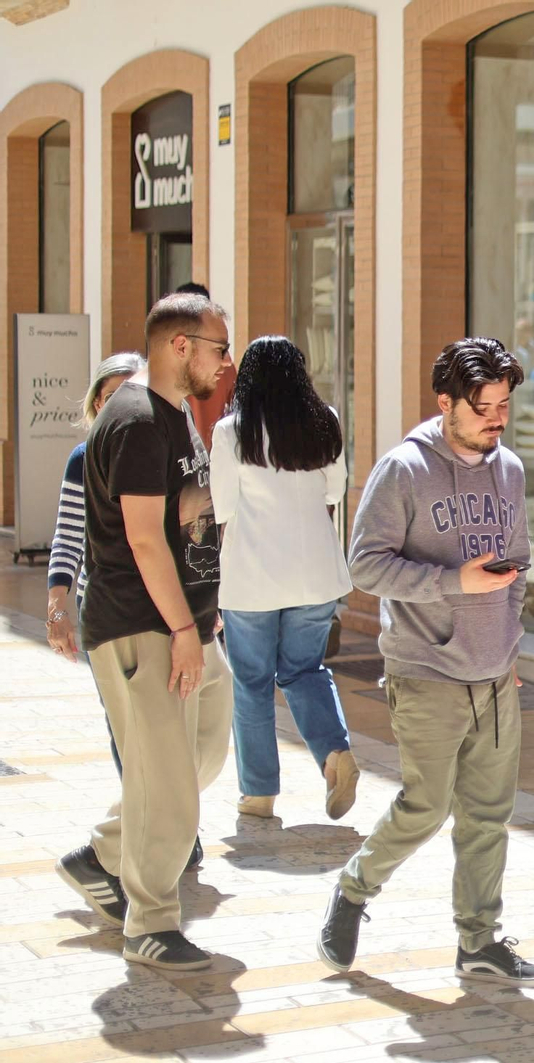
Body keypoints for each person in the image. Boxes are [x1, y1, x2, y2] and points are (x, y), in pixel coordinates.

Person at [318, 338, 534, 988]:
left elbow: (520, 562)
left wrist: (510, 639)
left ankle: (479, 940)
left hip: (495, 675)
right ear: (444, 401)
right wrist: (454, 582)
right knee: (426, 806)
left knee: (488, 814)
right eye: (483, 407)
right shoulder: (404, 469)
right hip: (425, 669)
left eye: (504, 405)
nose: (496, 420)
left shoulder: (509, 468)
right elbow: (363, 564)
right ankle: (356, 887)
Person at [54, 293, 235, 972]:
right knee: (168, 783)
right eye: (218, 346)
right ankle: (150, 921)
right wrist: (183, 626)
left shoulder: (173, 416)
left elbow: (175, 517)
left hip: (183, 624)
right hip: (145, 624)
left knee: (204, 751)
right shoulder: (135, 420)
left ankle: (102, 852)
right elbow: (140, 537)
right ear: (179, 346)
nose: (227, 360)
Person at [210, 336, 359, 821]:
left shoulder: (232, 432)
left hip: (252, 577)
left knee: (252, 683)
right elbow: (335, 491)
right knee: (304, 671)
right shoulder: (326, 422)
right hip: (316, 574)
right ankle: (336, 756)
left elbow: (223, 508)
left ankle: (259, 794)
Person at [45, 353, 144, 666]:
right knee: (116, 714)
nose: (123, 405)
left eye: (135, 394)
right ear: (98, 403)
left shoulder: (168, 453)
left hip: (162, 606)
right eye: (113, 396)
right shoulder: (84, 459)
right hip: (103, 607)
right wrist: (57, 609)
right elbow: (68, 537)